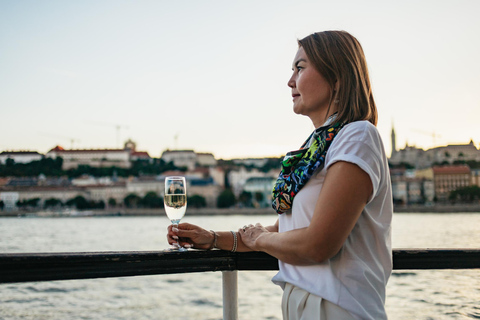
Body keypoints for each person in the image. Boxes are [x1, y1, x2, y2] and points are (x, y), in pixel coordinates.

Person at [167, 30, 393, 320]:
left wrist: (259, 239)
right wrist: (211, 238)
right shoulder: (318, 147)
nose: (290, 81)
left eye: (300, 68)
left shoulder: (357, 136)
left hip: (340, 310)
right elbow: (285, 232)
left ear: (337, 77)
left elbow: (316, 245)